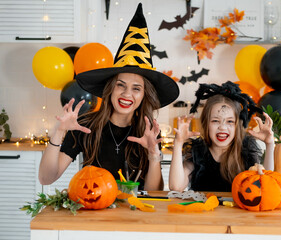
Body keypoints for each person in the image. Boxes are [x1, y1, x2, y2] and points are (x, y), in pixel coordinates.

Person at [39, 3, 179, 191]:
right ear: (110, 89)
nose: (127, 94)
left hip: (135, 215)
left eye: (136, 88)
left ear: (144, 95)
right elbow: (46, 178)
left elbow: (153, 192)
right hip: (94, 213)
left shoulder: (147, 132)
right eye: (120, 85)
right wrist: (58, 132)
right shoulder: (85, 126)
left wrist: (154, 155)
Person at [169, 81, 274, 192]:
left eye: (229, 121)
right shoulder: (198, 151)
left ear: (237, 125)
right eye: (215, 121)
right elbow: (176, 187)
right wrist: (178, 142)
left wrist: (270, 144)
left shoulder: (246, 149)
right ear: (206, 124)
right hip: (204, 208)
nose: (222, 127)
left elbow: (265, 185)